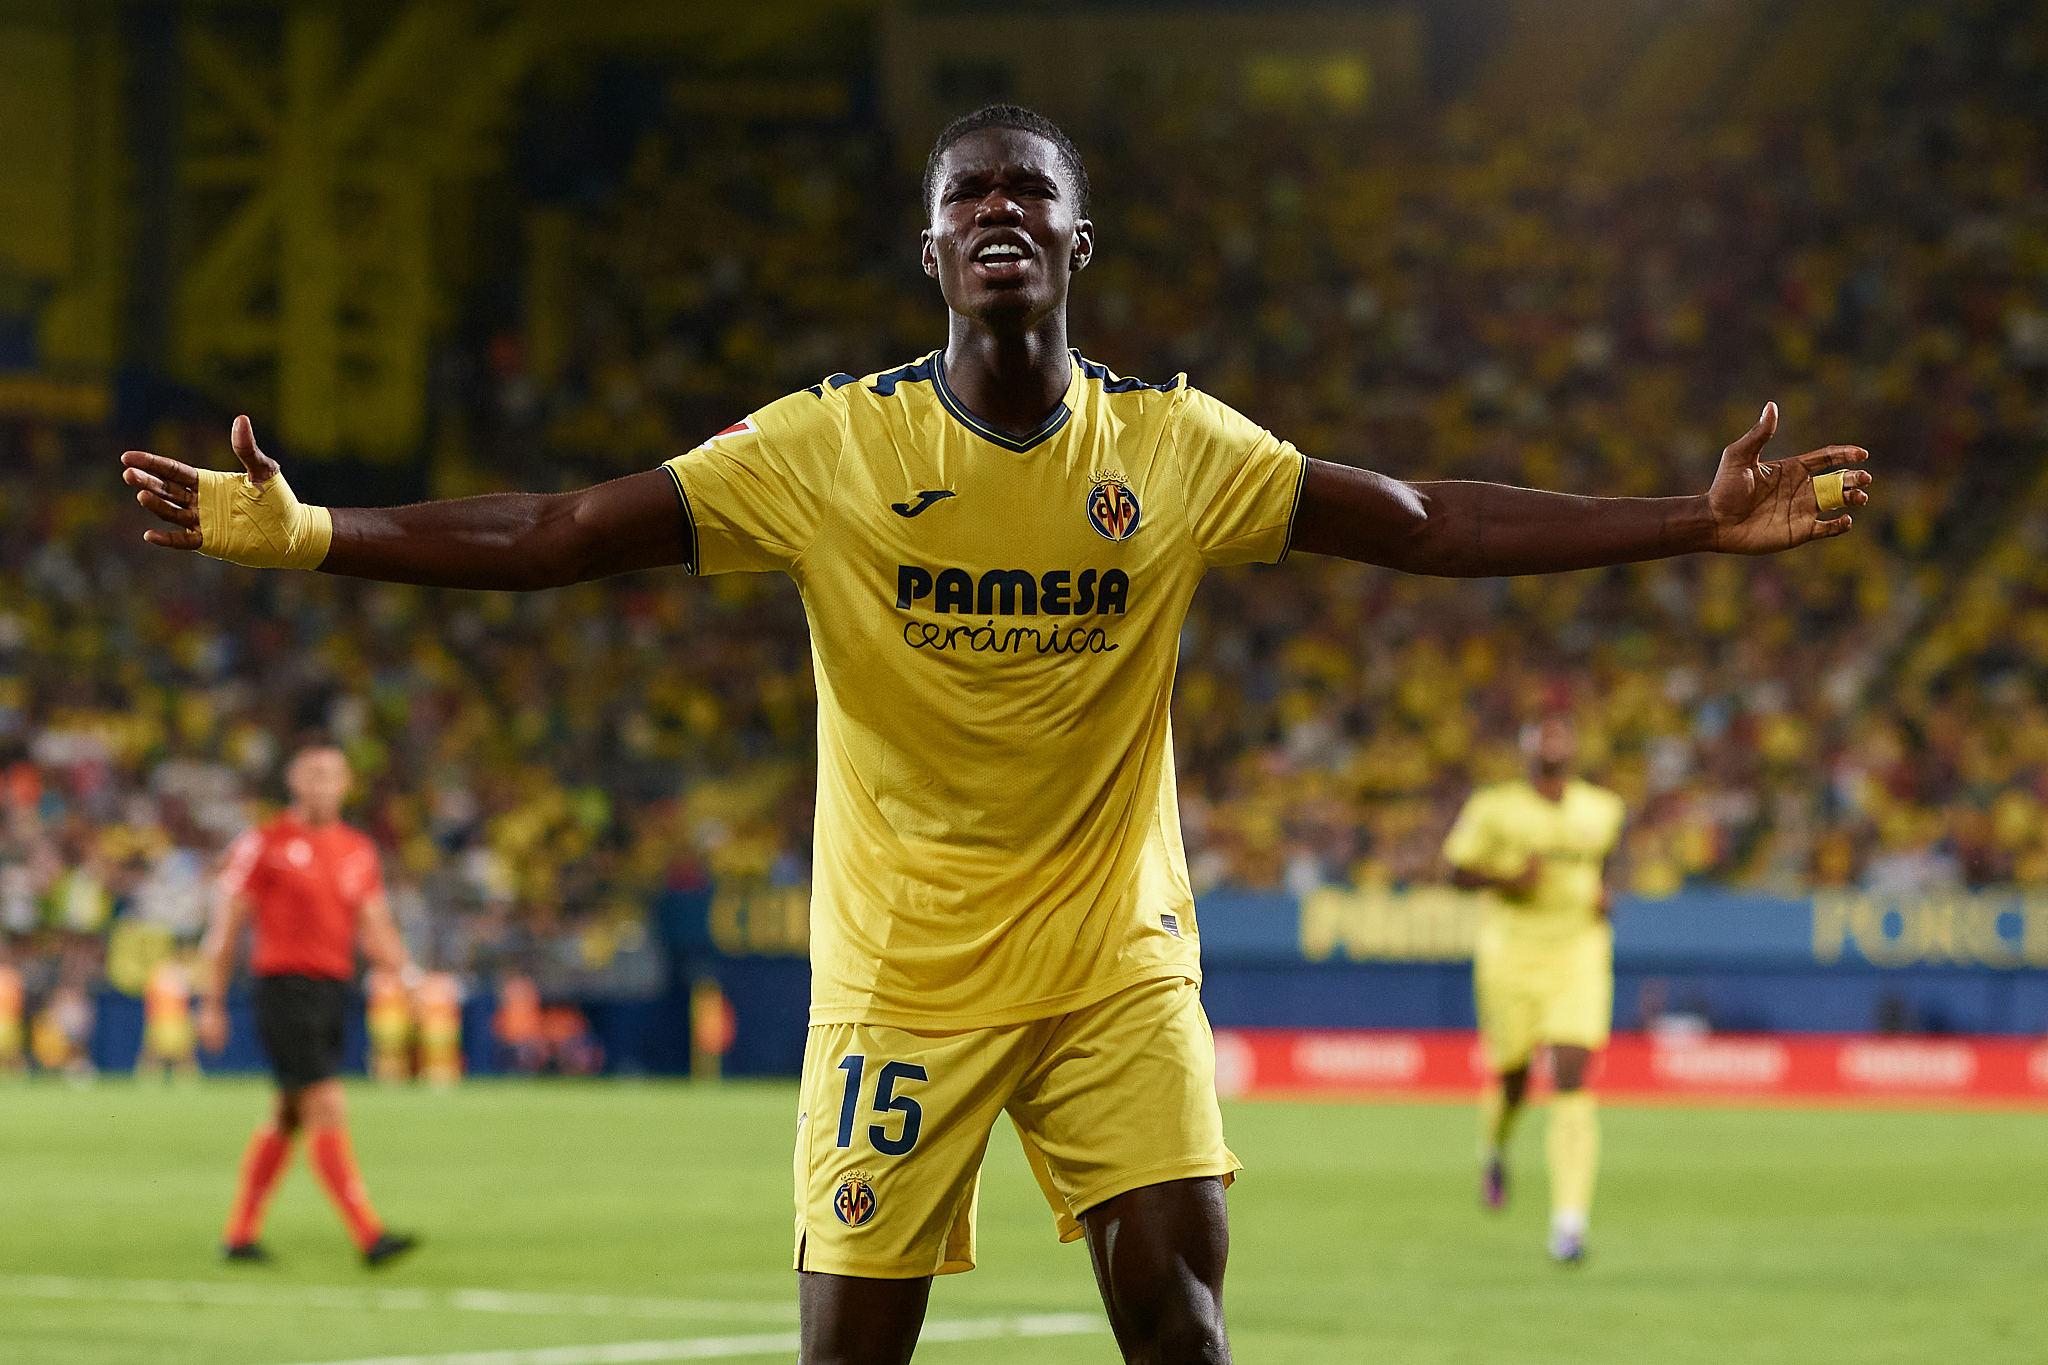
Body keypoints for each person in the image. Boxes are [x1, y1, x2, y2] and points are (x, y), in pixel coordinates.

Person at [120, 103, 1870, 1363]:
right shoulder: (826, 452)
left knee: (1177, 1313)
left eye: (1031, 189)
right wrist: (319, 532)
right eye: (971, 195)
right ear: (937, 247)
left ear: (1077, 240)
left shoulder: (1173, 450)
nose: (1001, 212)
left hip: (1116, 957)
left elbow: (1422, 522)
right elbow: (563, 534)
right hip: (900, 976)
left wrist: (1687, 520)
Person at [201, 745, 418, 1268]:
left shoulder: (357, 849)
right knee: (326, 1104)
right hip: (283, 989)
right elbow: (226, 926)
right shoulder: (265, 842)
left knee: (287, 1114)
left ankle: (239, 1236)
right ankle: (370, 1236)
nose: (323, 785)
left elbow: (374, 923)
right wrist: (211, 1002)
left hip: (331, 991)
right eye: (313, 775)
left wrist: (405, 974)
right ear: (295, 781)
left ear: (346, 785)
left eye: (332, 776)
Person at [1443, 716, 1622, 1264]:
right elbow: (1456, 872)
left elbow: (1605, 864)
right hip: (1511, 956)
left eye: (1562, 736)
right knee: (1516, 1077)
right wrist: (1507, 881)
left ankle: (1569, 1224)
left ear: (1573, 749)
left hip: (1578, 953)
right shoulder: (1495, 808)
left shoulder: (1602, 809)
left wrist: (1604, 892)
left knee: (1571, 1073)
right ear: (1529, 751)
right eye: (1544, 737)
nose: (1554, 745)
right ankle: (1494, 1147)